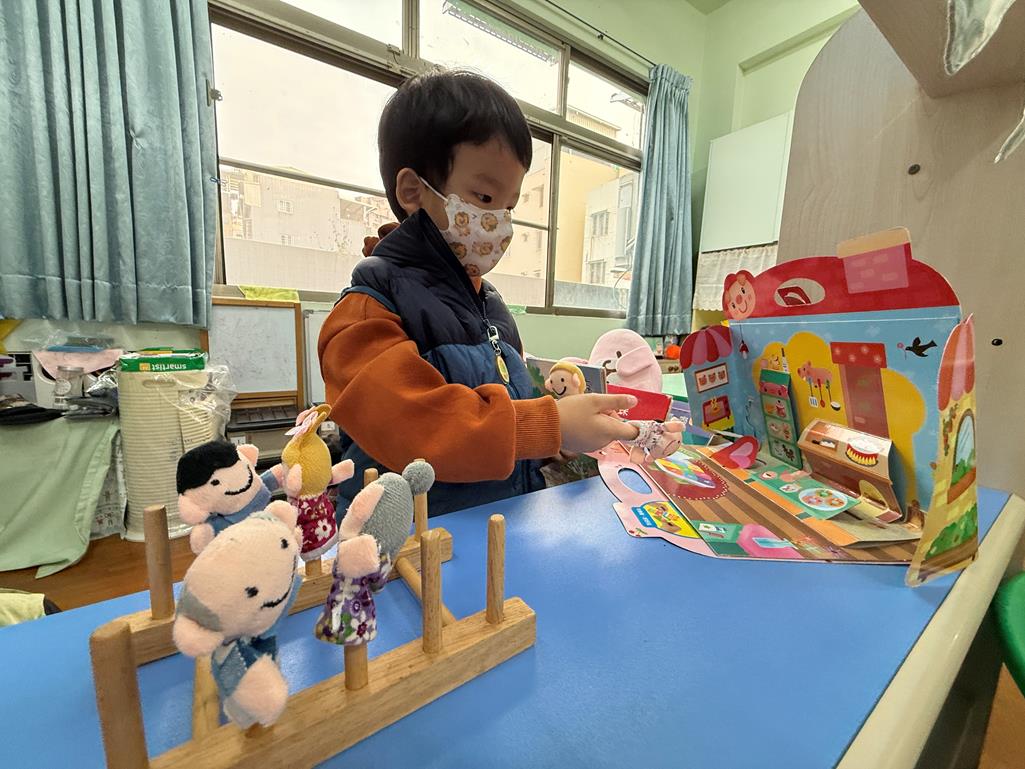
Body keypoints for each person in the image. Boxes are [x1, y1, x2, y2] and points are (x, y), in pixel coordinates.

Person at [319, 69, 638, 517]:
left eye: (510, 206)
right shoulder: (368, 308)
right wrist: (550, 426)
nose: (501, 223)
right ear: (413, 191)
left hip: (497, 528)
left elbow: (509, 417)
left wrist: (555, 443)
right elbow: (418, 429)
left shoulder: (491, 305)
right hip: (410, 540)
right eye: (486, 198)